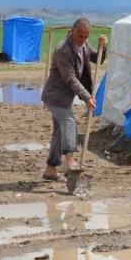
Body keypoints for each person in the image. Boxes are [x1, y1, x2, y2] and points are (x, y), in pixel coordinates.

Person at [41, 19, 107, 181]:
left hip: (65, 98)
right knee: (69, 121)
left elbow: (95, 57)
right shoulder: (63, 50)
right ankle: (70, 159)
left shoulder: (83, 44)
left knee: (59, 132)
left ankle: (50, 169)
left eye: (86, 36)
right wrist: (87, 97)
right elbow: (70, 78)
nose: (82, 40)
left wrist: (102, 47)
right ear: (72, 31)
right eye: (80, 36)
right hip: (54, 97)